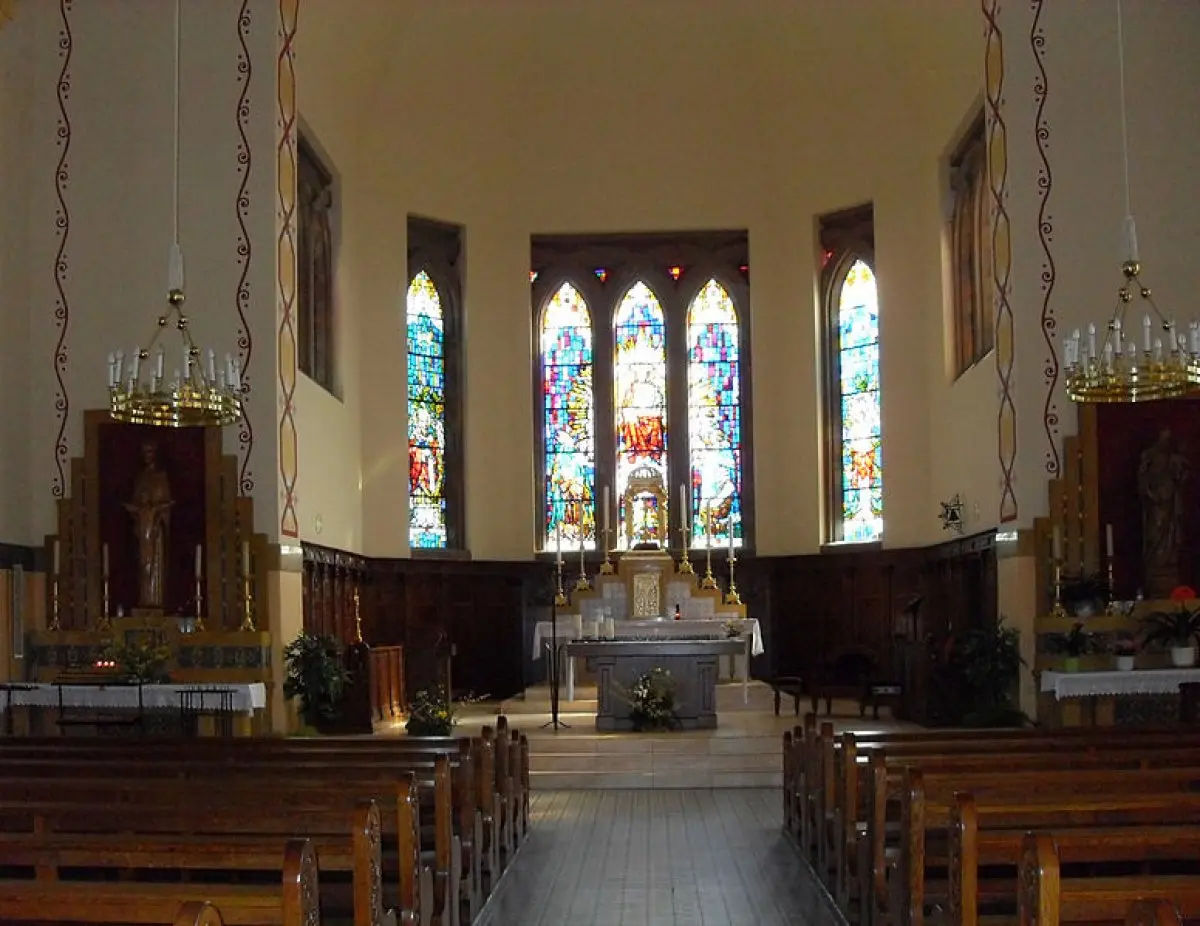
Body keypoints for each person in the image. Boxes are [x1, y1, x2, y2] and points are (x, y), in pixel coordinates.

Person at [125, 440, 173, 608]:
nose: (147, 456)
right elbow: (135, 502)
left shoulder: (161, 477)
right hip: (142, 530)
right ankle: (144, 599)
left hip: (156, 531)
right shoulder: (139, 478)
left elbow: (167, 504)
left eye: (150, 452)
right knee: (142, 566)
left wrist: (156, 513)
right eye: (144, 452)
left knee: (155, 566)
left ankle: (155, 600)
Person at [1138, 428, 1189, 577]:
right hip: (1155, 499)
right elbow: (1142, 476)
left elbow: (1183, 473)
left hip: (1169, 498)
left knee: (1170, 534)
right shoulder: (1148, 454)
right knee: (1155, 531)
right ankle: (1156, 563)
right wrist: (1149, 493)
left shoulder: (1173, 457)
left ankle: (1168, 560)